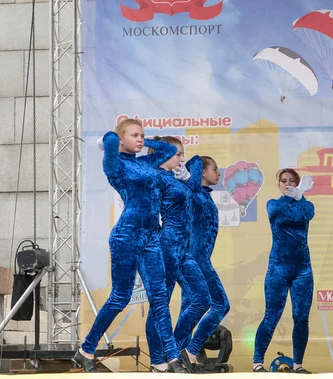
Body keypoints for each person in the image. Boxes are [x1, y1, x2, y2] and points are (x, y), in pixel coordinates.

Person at [74, 119, 187, 373]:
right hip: (126, 236)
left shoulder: (145, 162)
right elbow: (110, 140)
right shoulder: (115, 164)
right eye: (134, 135)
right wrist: (113, 137)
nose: (140, 139)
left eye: (142, 135)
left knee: (159, 299)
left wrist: (142, 140)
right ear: (121, 139)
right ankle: (86, 349)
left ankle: (172, 358)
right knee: (120, 297)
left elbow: (167, 150)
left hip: (151, 238)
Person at [143, 137, 211, 373]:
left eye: (183, 154)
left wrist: (189, 181)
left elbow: (195, 200)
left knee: (203, 298)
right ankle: (157, 361)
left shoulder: (178, 178)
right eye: (178, 154)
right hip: (168, 245)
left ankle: (174, 347)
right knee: (160, 305)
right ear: (164, 156)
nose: (183, 159)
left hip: (185, 247)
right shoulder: (156, 178)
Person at [253, 169, 315, 374]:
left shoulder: (306, 205)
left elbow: (308, 213)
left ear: (298, 183)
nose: (287, 184)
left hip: (303, 270)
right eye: (284, 181)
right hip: (278, 269)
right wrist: (296, 197)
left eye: (292, 181)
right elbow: (279, 211)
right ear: (278, 184)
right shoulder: (273, 203)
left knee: (301, 317)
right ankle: (257, 363)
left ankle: (298, 365)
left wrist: (301, 196)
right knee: (271, 316)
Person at [177, 155, 230, 372]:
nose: (219, 173)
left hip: (197, 258)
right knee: (220, 304)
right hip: (196, 259)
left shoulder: (202, 195)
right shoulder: (194, 193)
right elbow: (196, 161)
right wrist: (192, 175)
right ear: (203, 173)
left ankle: (176, 356)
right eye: (215, 169)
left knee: (188, 307)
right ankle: (189, 350)